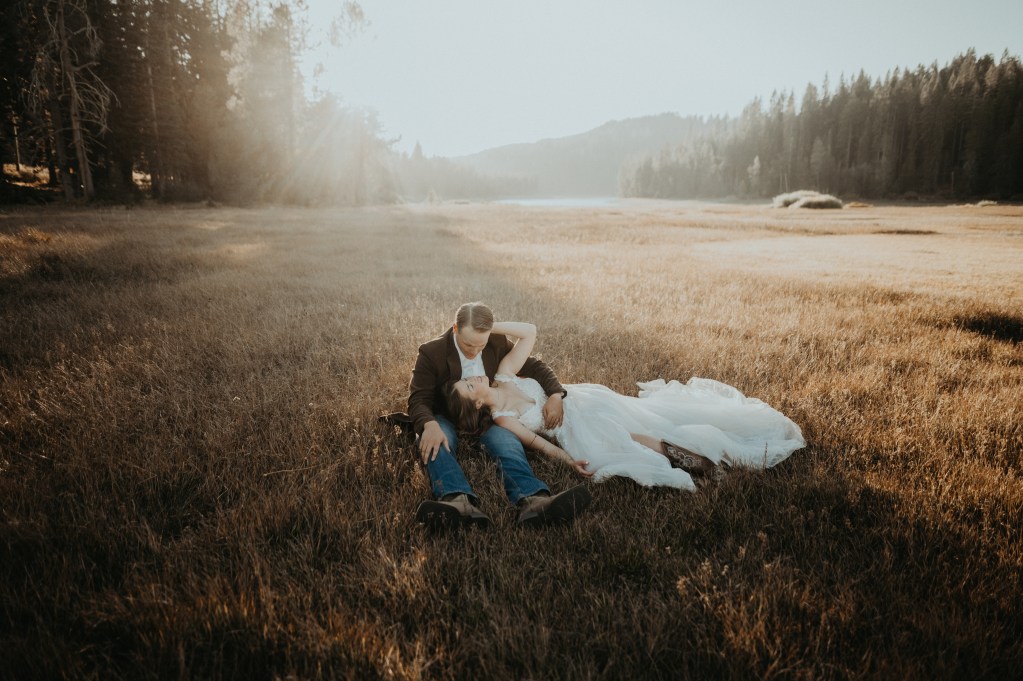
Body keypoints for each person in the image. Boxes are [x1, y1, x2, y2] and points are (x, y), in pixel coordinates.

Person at [448, 321, 806, 491]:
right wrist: (569, 462)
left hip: (584, 399)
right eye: (468, 385)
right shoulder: (503, 419)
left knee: (641, 422)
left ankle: (691, 456)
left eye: (469, 377)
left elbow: (529, 331)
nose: (474, 377)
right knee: (620, 440)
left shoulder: (505, 373)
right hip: (573, 428)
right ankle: (695, 461)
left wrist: (488, 325)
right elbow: (539, 443)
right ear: (476, 403)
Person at [409, 302, 591, 529]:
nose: (475, 351)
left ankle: (534, 500)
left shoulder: (494, 341)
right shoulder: (432, 352)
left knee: (507, 445)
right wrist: (428, 424)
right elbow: (418, 399)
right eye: (468, 344)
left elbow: (532, 366)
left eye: (480, 345)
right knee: (435, 440)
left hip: (491, 416)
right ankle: (456, 501)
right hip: (448, 414)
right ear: (455, 328)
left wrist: (555, 394)